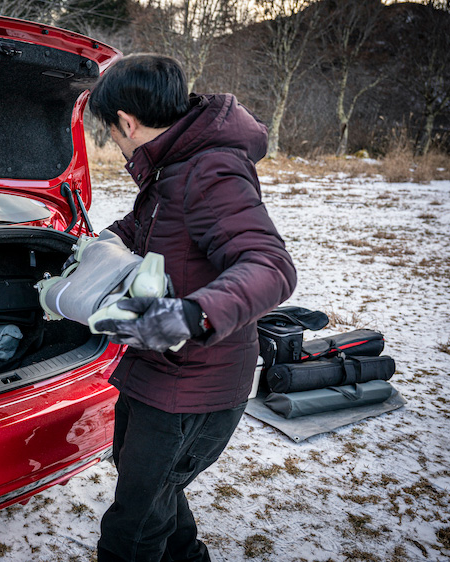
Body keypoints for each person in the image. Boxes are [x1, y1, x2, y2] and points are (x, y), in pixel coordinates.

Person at [88, 54, 298, 562]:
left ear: (127, 122)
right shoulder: (174, 167)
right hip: (156, 372)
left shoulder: (210, 170)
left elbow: (270, 265)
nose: (114, 143)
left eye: (110, 132)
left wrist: (193, 314)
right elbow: (149, 227)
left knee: (133, 527)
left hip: (192, 388)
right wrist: (98, 244)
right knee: (153, 491)